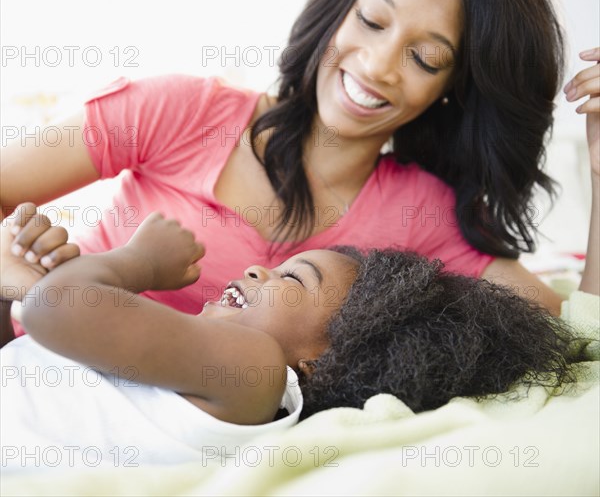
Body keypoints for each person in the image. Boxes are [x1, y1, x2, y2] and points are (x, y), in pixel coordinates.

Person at [1, 0, 598, 320]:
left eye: (425, 57)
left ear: (451, 87)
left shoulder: (424, 214)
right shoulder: (181, 110)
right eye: (370, 20)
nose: (377, 65)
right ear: (339, 9)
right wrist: (40, 283)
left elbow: (578, 331)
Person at [0, 193, 592, 470]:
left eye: (294, 277)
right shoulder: (212, 366)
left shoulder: (255, 373)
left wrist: (137, 263)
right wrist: (34, 278)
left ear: (321, 362)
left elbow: (54, 310)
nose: (257, 267)